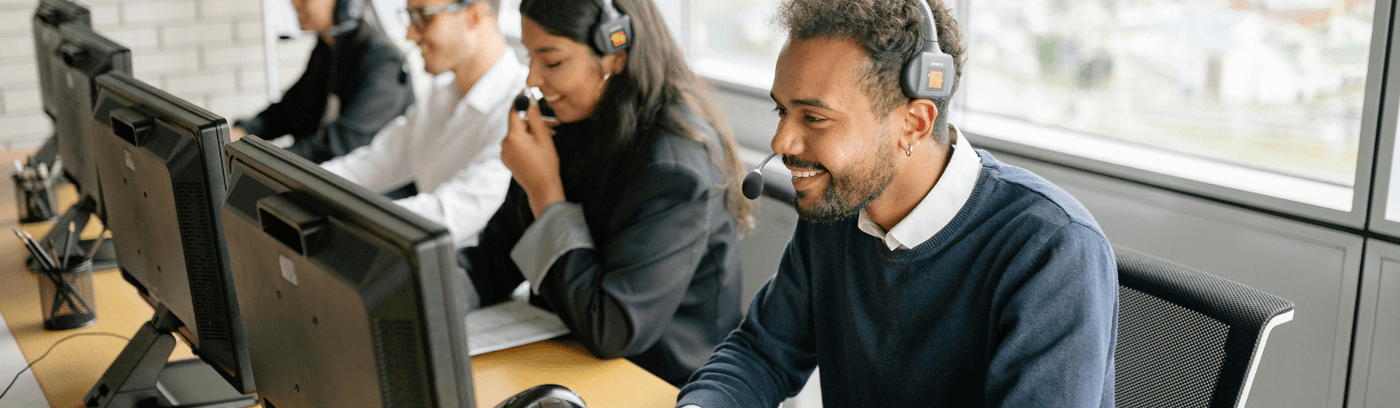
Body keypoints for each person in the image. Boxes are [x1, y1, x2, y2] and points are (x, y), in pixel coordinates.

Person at [677, 0, 1119, 407]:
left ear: (914, 122)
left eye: (814, 117)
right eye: (781, 111)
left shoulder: (1053, 251)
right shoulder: (839, 206)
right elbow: (763, 353)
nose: (781, 141)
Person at [458, 0, 752, 386]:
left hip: (656, 382)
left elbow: (611, 328)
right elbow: (496, 258)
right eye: (530, 57)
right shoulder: (572, 124)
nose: (532, 77)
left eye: (552, 61)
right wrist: (428, 292)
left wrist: (545, 193)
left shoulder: (674, 168)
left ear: (615, 53)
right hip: (570, 359)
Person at [319, 0, 522, 249]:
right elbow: (375, 162)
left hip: (478, 278)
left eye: (423, 18)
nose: (409, 34)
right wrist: (302, 187)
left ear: (475, 15)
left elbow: (449, 214)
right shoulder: (440, 94)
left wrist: (343, 219)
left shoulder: (520, 109)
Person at [231, 0, 415, 164]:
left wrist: (260, 161)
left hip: (377, 193)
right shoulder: (328, 49)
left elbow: (340, 147)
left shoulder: (383, 61)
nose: (294, 3)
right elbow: (290, 110)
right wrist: (243, 132)